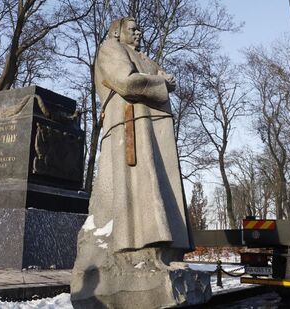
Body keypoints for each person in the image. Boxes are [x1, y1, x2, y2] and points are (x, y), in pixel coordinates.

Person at [71, 17, 199, 308]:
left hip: (153, 127)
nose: (139, 32)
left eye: (140, 28)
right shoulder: (110, 48)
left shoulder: (143, 58)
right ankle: (144, 254)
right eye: (133, 29)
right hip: (131, 125)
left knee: (162, 189)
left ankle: (167, 253)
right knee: (141, 190)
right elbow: (126, 82)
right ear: (118, 32)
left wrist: (163, 79)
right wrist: (162, 82)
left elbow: (156, 76)